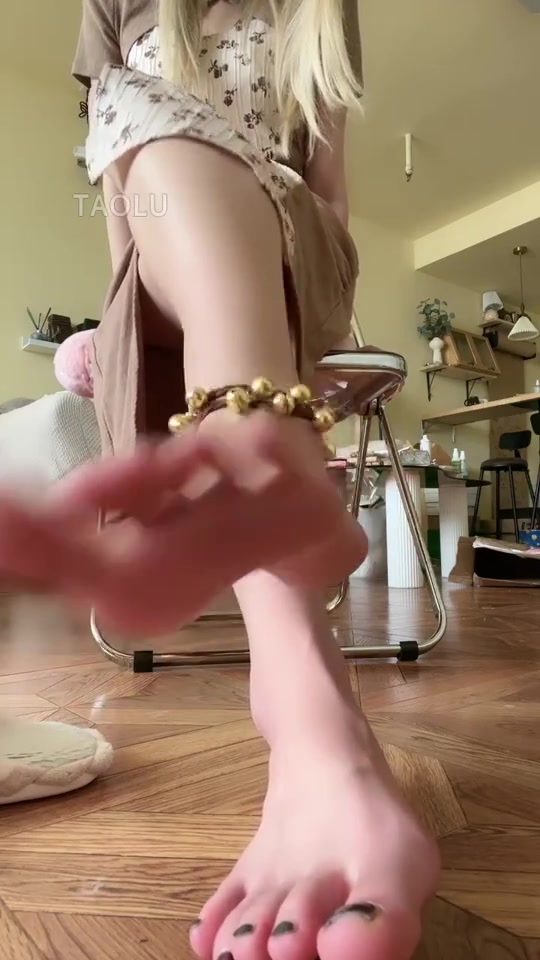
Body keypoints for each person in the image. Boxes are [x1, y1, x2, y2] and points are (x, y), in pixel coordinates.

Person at [0, 0, 439, 955]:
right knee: (148, 128)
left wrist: (302, 307)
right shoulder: (114, 5)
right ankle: (268, 480)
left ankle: (307, 715)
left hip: (297, 249)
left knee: (180, 150)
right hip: (161, 264)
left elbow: (330, 194)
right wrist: (133, 319)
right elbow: (124, 206)